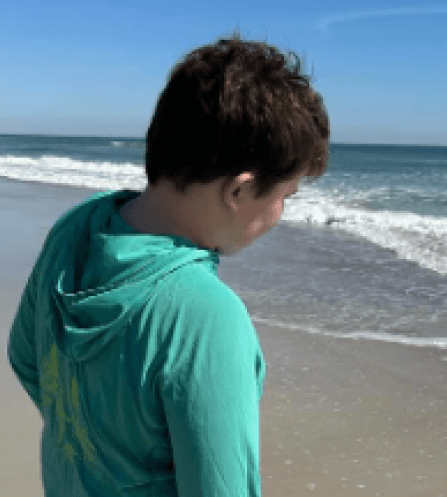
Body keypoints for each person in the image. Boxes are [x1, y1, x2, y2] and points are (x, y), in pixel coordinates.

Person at [6, 34, 330, 496]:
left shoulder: (77, 227)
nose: (280, 214)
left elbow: (26, 359)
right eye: (285, 196)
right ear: (239, 191)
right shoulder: (204, 317)